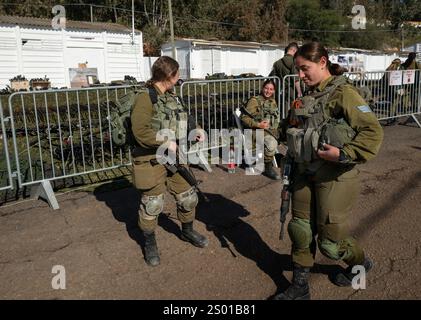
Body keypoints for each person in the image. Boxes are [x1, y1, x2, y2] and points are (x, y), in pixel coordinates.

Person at [274, 42, 384, 300]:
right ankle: (300, 287)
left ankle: (360, 264)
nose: (300, 74)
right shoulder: (304, 96)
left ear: (322, 62)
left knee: (330, 245)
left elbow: (372, 132)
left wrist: (343, 154)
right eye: (298, 69)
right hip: (303, 173)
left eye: (305, 68)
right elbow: (289, 127)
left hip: (335, 176)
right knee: (300, 231)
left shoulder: (343, 93)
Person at [131, 56, 208, 267]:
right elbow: (140, 132)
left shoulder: (171, 96)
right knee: (152, 205)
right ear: (169, 76)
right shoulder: (145, 98)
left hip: (175, 157)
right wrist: (165, 141)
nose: (179, 76)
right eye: (177, 73)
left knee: (188, 198)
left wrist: (197, 128)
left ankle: (187, 231)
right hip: (151, 160)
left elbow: (184, 117)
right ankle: (149, 243)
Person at [240, 79, 281, 180]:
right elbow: (244, 118)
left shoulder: (272, 101)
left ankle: (280, 159)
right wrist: (258, 124)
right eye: (266, 88)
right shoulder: (254, 101)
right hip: (255, 131)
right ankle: (268, 168)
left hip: (269, 129)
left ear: (274, 91)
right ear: (262, 88)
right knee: (271, 143)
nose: (268, 91)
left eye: (271, 89)